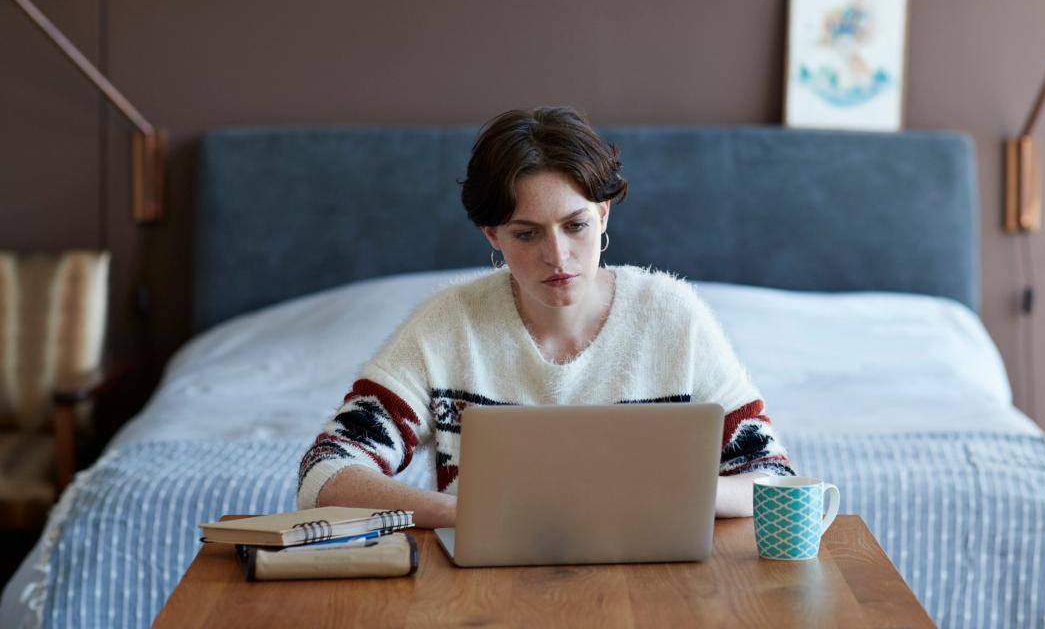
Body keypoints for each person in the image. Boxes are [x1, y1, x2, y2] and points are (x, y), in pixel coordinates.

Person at [296, 106, 794, 527]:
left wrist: (662, 501)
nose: (557, 257)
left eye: (575, 225)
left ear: (603, 215)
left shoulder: (673, 318)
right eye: (526, 234)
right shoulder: (448, 326)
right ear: (492, 234)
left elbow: (774, 480)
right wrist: (467, 514)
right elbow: (325, 471)